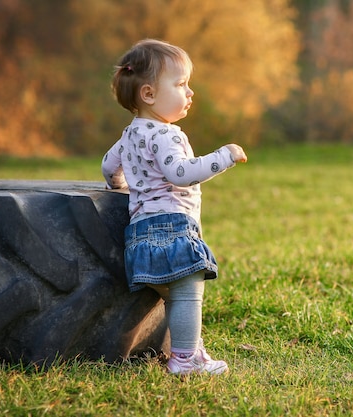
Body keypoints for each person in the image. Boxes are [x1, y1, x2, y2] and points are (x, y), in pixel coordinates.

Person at [101, 39, 247, 375]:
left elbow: (109, 167)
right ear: (149, 94)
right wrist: (223, 157)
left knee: (176, 296)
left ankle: (192, 348)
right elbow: (180, 174)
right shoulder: (166, 135)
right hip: (171, 228)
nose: (190, 92)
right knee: (189, 292)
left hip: (139, 233)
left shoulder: (128, 135)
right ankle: (184, 359)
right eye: (181, 84)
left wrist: (120, 187)